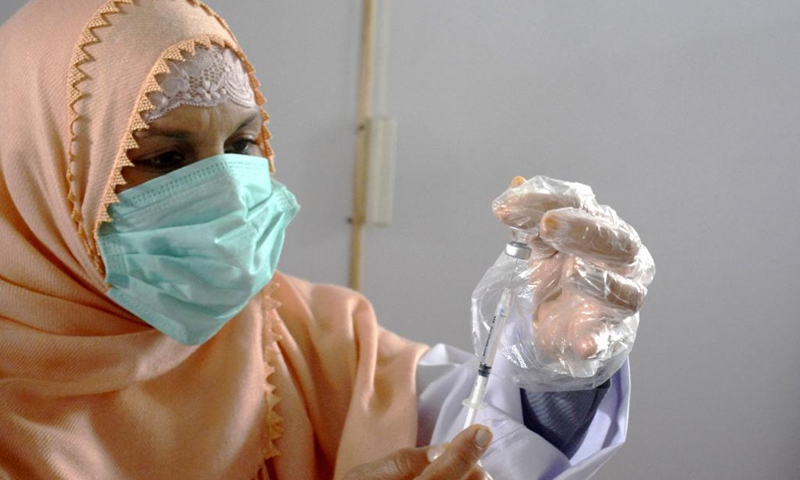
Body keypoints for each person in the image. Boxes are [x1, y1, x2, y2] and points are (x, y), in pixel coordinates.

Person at [0, 1, 654, 479]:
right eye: (167, 159)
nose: (226, 195)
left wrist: (550, 365)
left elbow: (474, 434)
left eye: (241, 145)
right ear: (37, 174)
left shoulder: (303, 335)